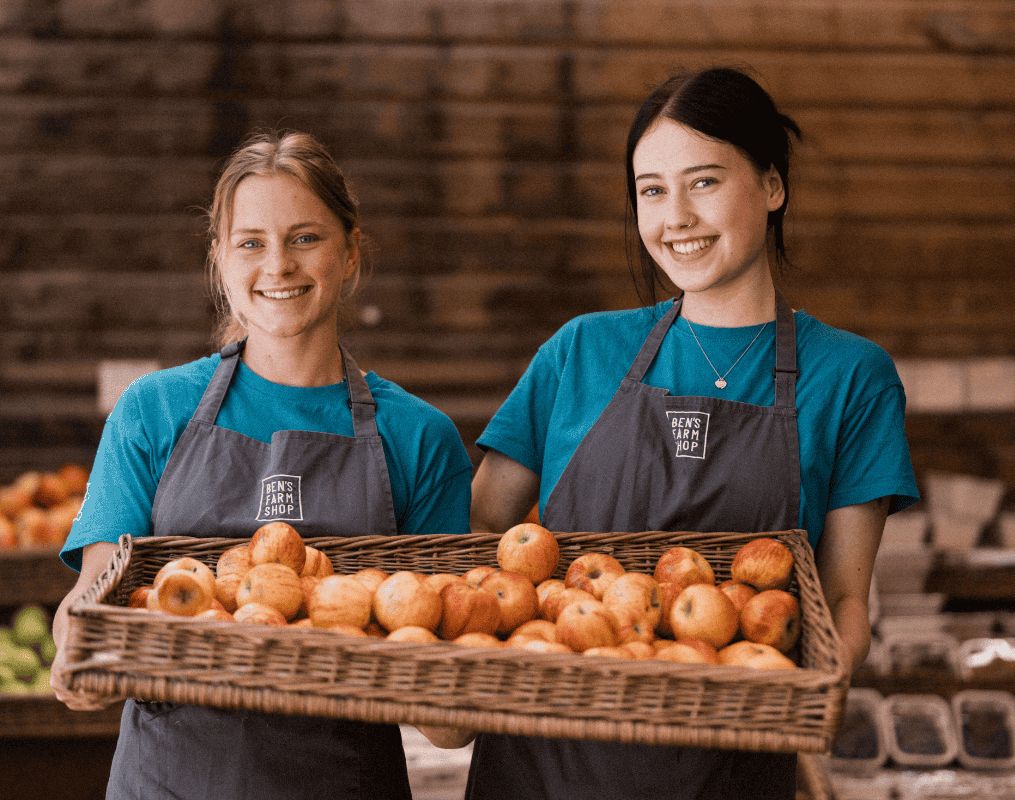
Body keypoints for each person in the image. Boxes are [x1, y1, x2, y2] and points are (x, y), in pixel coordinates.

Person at [449, 66, 920, 799]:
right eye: (651, 190)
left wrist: (814, 686)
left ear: (772, 186)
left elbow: (841, 598)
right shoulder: (581, 351)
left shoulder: (852, 376)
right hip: (543, 763)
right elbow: (482, 528)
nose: (676, 217)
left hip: (729, 762)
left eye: (703, 182)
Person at [49, 131, 473, 800]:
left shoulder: (420, 437)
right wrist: (81, 649)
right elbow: (94, 600)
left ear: (350, 251)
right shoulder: (153, 411)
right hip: (167, 783)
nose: (278, 264)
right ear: (220, 260)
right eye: (251, 242)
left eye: (305, 237)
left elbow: (448, 724)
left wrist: (444, 688)